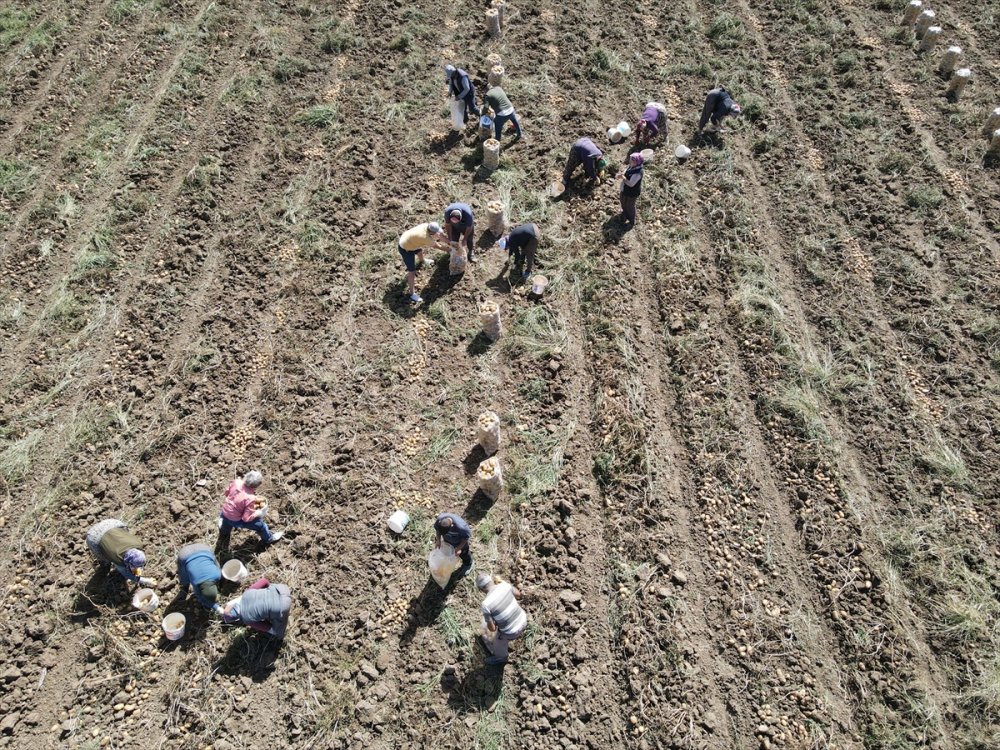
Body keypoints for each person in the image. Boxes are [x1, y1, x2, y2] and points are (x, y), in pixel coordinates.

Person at [219, 470, 284, 545]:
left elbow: (226, 493)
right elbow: (245, 519)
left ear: (246, 476)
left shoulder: (236, 482)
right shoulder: (250, 498)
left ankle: (224, 532)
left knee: (226, 522)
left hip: (224, 512)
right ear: (258, 485)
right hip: (235, 520)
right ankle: (268, 539)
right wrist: (258, 513)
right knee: (261, 526)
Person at [476, 573, 528, 666]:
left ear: (481, 589)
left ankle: (501, 658)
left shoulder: (486, 604)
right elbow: (518, 595)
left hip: (511, 632)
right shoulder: (504, 585)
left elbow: (492, 629)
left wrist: (494, 622)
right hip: (524, 619)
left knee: (498, 640)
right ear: (492, 580)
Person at [86, 519, 155, 586]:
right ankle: (104, 565)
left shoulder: (138, 544)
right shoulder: (118, 559)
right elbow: (126, 573)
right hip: (94, 536)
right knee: (104, 558)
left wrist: (137, 570)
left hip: (111, 523)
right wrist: (144, 580)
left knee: (123, 534)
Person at [221, 577, 292, 639]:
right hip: (282, 589)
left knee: (277, 633)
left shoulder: (247, 619)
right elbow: (264, 581)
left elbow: (268, 628)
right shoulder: (246, 593)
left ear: (237, 618)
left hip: (284, 605)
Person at [398, 221, 448, 304]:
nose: (437, 233)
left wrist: (448, 242)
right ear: (431, 231)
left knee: (419, 251)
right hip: (405, 248)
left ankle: (423, 261)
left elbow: (439, 235)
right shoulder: (424, 237)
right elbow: (437, 246)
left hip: (410, 240)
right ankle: (412, 294)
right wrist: (450, 250)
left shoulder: (426, 225)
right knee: (412, 272)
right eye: (435, 232)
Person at [176, 543, 223, 614]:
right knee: (184, 577)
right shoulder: (196, 582)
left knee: (213, 560)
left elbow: (217, 566)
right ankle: (185, 586)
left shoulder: (218, 574)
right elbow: (200, 597)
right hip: (187, 554)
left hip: (203, 547)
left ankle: (184, 586)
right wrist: (216, 607)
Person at [433, 512, 472, 578]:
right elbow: (438, 531)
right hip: (448, 541)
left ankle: (468, 564)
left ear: (452, 526)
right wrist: (438, 540)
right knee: (447, 554)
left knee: (464, 554)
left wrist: (459, 548)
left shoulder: (462, 527)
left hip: (459, 543)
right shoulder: (440, 520)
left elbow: (465, 538)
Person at [619, 152, 644, 227]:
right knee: (623, 201)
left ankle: (631, 221)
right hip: (625, 190)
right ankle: (624, 213)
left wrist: (623, 178)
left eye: (632, 160)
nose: (630, 161)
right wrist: (622, 174)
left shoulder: (638, 172)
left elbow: (631, 184)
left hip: (632, 193)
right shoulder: (632, 167)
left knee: (630, 206)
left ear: (637, 162)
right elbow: (627, 170)